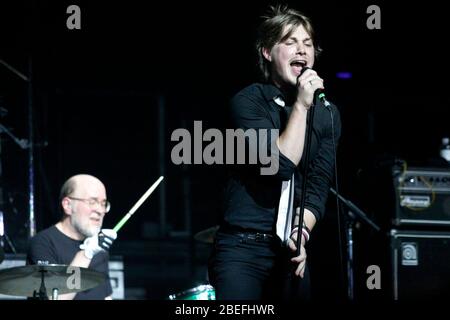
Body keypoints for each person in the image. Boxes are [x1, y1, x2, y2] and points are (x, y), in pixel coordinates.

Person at [208, 5, 341, 300]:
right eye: (290, 42)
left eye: (307, 44)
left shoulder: (327, 114)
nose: (302, 50)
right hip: (242, 250)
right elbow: (280, 164)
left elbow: (318, 184)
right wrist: (302, 106)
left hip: (290, 252)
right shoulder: (249, 102)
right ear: (268, 52)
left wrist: (301, 232)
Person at [27, 174, 117, 300]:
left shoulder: (98, 247)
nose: (100, 210)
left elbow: (106, 296)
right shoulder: (43, 243)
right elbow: (55, 298)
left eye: (103, 203)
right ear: (68, 205)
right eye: (92, 201)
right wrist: (86, 254)